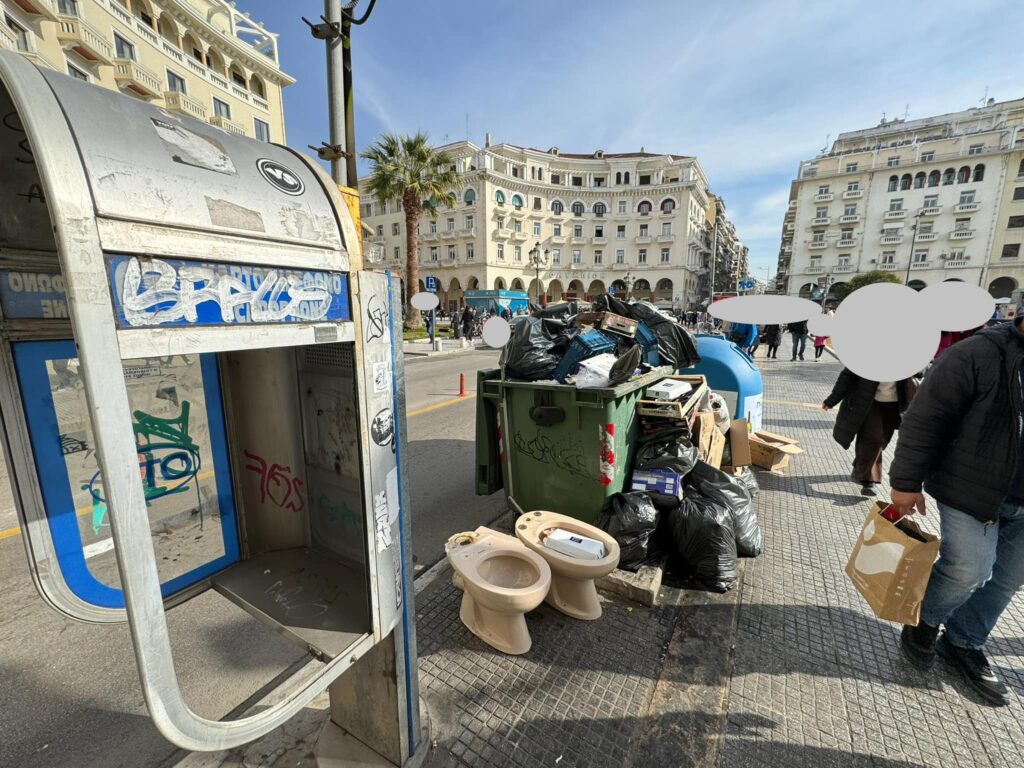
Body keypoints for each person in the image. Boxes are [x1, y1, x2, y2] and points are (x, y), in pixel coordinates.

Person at [889, 315, 1024, 706]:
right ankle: (924, 622)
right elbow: (926, 419)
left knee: (1007, 580)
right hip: (970, 489)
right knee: (970, 569)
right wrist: (905, 482)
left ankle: (964, 641)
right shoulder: (977, 353)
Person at [822, 370, 916, 496]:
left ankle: (860, 466)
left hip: (896, 405)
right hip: (869, 403)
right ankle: (868, 481)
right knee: (873, 438)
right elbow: (848, 375)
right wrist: (832, 399)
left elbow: (923, 373)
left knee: (882, 441)